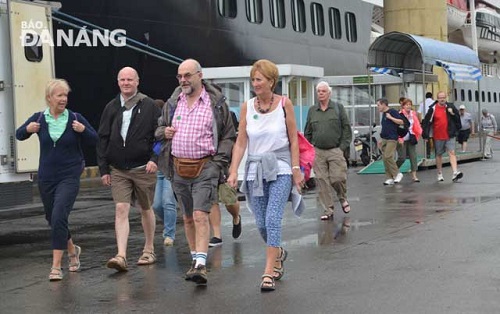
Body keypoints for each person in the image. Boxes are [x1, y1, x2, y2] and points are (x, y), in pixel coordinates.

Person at [227, 59, 303, 292]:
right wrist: (233, 171)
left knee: (272, 218)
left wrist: (296, 169)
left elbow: (293, 139)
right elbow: (241, 142)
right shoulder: (247, 107)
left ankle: (268, 271)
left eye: (259, 79)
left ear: (271, 81)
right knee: (260, 223)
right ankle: (279, 252)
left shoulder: (284, 104)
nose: (255, 84)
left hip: (279, 168)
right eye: (253, 80)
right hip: (254, 171)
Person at [158, 59, 236, 285]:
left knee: (201, 214)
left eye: (187, 75)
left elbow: (228, 135)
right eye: (180, 76)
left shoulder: (216, 102)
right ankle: (195, 260)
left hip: (205, 167)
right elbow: (158, 128)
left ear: (199, 76)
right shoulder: (173, 102)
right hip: (178, 167)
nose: (183, 80)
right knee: (188, 217)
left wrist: (217, 163)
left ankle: (201, 265)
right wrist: (165, 131)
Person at [16, 79, 98, 281]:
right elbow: (19, 135)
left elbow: (95, 139)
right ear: (49, 98)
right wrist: (28, 130)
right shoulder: (39, 119)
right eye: (59, 95)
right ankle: (72, 250)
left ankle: (56, 267)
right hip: (46, 177)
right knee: (52, 218)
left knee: (60, 214)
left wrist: (83, 131)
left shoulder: (75, 118)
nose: (63, 99)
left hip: (69, 176)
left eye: (65, 95)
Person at [97, 67, 161, 272]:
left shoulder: (149, 105)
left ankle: (149, 248)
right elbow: (103, 138)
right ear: (118, 82)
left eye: (130, 80)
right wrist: (103, 168)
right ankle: (121, 255)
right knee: (121, 208)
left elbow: (160, 136)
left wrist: (155, 158)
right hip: (118, 169)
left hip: (144, 167)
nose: (126, 83)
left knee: (145, 207)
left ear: (137, 82)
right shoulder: (111, 107)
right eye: (122, 80)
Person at [304, 81, 352, 220]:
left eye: (323, 91)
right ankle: (328, 210)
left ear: (329, 93)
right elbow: (308, 131)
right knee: (322, 181)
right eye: (318, 91)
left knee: (338, 178)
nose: (320, 94)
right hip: (318, 151)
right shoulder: (313, 110)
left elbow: (346, 129)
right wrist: (309, 148)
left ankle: (342, 198)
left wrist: (342, 147)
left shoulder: (338, 108)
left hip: (335, 149)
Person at [208, 109, 242, 247]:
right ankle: (217, 235)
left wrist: (233, 168)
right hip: (207, 164)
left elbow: (235, 144)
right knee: (211, 199)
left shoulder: (228, 114)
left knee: (229, 199)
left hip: (224, 165)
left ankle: (236, 217)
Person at [422, 91, 463, 182]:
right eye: (440, 97)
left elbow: (458, 119)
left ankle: (455, 172)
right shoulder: (432, 109)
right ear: (437, 98)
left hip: (449, 134)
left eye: (443, 97)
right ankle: (440, 173)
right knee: (439, 154)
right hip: (438, 135)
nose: (442, 99)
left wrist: (452, 113)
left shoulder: (450, 107)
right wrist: (425, 135)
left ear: (446, 98)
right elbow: (426, 122)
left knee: (452, 152)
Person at [152, 99, 177, 246]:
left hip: (170, 165)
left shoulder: (170, 126)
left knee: (168, 201)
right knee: (156, 205)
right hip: (159, 168)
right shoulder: (156, 129)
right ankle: (169, 224)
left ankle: (169, 234)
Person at [376, 98, 405, 185]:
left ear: (384, 104)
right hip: (385, 138)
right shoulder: (384, 114)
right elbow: (385, 127)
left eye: (378, 105)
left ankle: (397, 173)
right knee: (385, 158)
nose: (378, 107)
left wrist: (391, 118)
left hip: (392, 138)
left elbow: (401, 122)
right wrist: (380, 139)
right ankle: (389, 177)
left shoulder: (392, 112)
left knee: (388, 156)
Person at [396, 98, 422, 182]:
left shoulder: (413, 114)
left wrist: (417, 133)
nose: (408, 106)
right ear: (403, 106)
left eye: (410, 105)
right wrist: (399, 137)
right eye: (406, 105)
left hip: (411, 137)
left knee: (413, 156)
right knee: (402, 157)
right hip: (402, 138)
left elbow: (417, 125)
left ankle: (414, 175)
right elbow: (397, 127)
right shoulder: (399, 114)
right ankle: (393, 170)